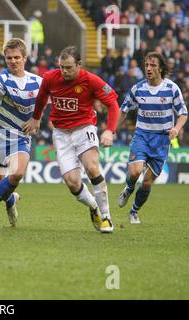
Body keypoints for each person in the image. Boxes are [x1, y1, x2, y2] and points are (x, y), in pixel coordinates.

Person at [23, 46, 120, 233]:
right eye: (61, 67)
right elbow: (42, 98)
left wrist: (110, 130)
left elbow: (113, 104)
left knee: (92, 167)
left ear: (79, 65)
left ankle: (106, 217)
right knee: (73, 182)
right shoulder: (50, 78)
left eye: (68, 67)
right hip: (61, 134)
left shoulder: (90, 80)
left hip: (84, 128)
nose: (64, 71)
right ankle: (94, 206)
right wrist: (36, 118)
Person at [0, 38, 42, 227]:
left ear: (25, 58)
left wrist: (37, 119)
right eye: (9, 58)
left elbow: (45, 101)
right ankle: (10, 202)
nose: (13, 61)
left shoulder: (37, 82)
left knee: (17, 173)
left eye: (17, 57)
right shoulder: (1, 78)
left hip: (20, 137)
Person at [117, 52, 187, 223]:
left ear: (160, 68)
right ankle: (129, 187)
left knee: (147, 183)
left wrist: (177, 128)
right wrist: (112, 130)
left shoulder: (171, 89)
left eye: (153, 65)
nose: (148, 68)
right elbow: (123, 110)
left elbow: (183, 113)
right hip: (142, 135)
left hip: (162, 140)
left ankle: (134, 211)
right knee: (135, 171)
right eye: (147, 65)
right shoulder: (138, 89)